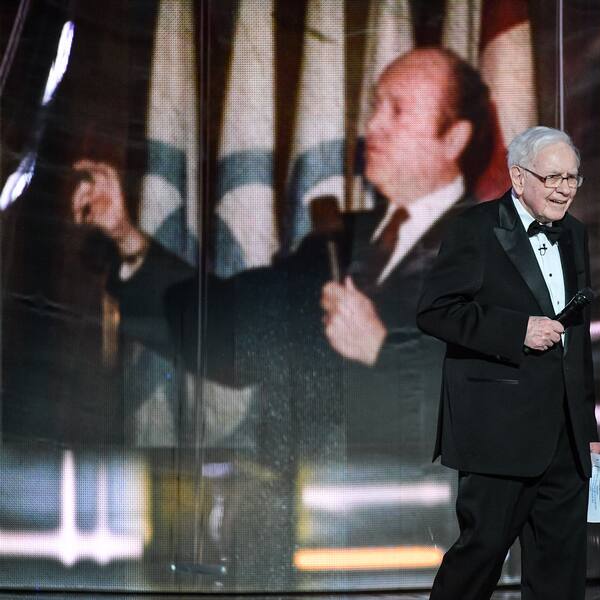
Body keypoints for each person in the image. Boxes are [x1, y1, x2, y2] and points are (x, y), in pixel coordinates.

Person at [69, 46, 493, 574]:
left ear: (452, 138)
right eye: (374, 106)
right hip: (295, 546)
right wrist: (127, 239)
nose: (373, 126)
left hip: (416, 558)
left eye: (397, 110)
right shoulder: (337, 243)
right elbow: (227, 330)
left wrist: (380, 352)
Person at [417, 126, 600, 599]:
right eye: (553, 177)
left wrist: (589, 427)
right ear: (518, 178)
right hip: (497, 433)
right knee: (479, 559)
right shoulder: (474, 229)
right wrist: (517, 331)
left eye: (573, 178)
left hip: (565, 438)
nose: (564, 189)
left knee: (560, 573)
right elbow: (434, 311)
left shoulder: (575, 234)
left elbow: (578, 338)